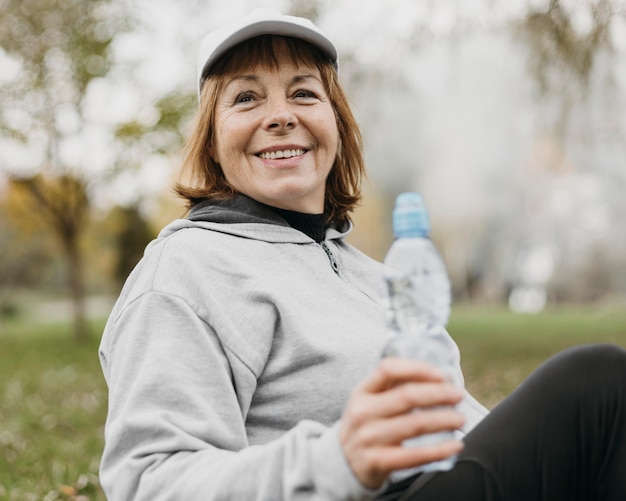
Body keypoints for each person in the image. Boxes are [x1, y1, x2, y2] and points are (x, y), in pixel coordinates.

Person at [98, 8, 626, 501]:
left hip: (446, 474)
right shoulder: (186, 270)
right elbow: (149, 480)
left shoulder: (370, 273)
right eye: (246, 98)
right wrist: (335, 462)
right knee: (597, 383)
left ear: (337, 123)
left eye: (304, 94)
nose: (281, 116)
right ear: (212, 142)